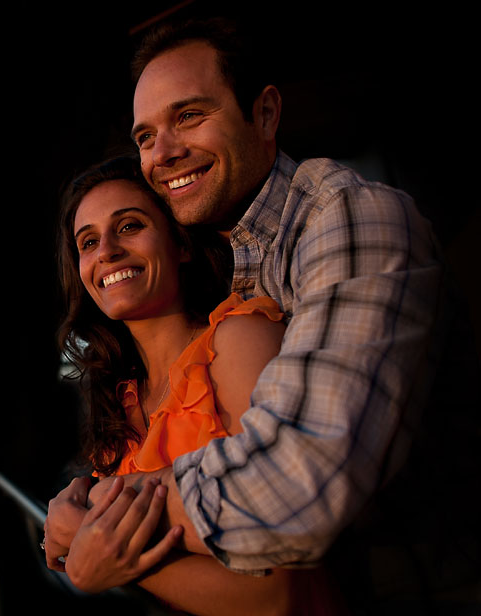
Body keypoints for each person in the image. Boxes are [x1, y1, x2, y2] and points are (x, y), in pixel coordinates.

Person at [46, 15, 446, 607]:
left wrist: (99, 524)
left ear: (263, 114)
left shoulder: (346, 217)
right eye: (145, 136)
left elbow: (296, 491)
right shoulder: (244, 261)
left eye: (189, 115)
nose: (165, 152)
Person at [47, 155, 342, 614]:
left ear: (180, 244)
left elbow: (281, 593)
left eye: (128, 226)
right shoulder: (118, 403)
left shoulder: (240, 339)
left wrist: (106, 559)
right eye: (88, 242)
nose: (106, 250)